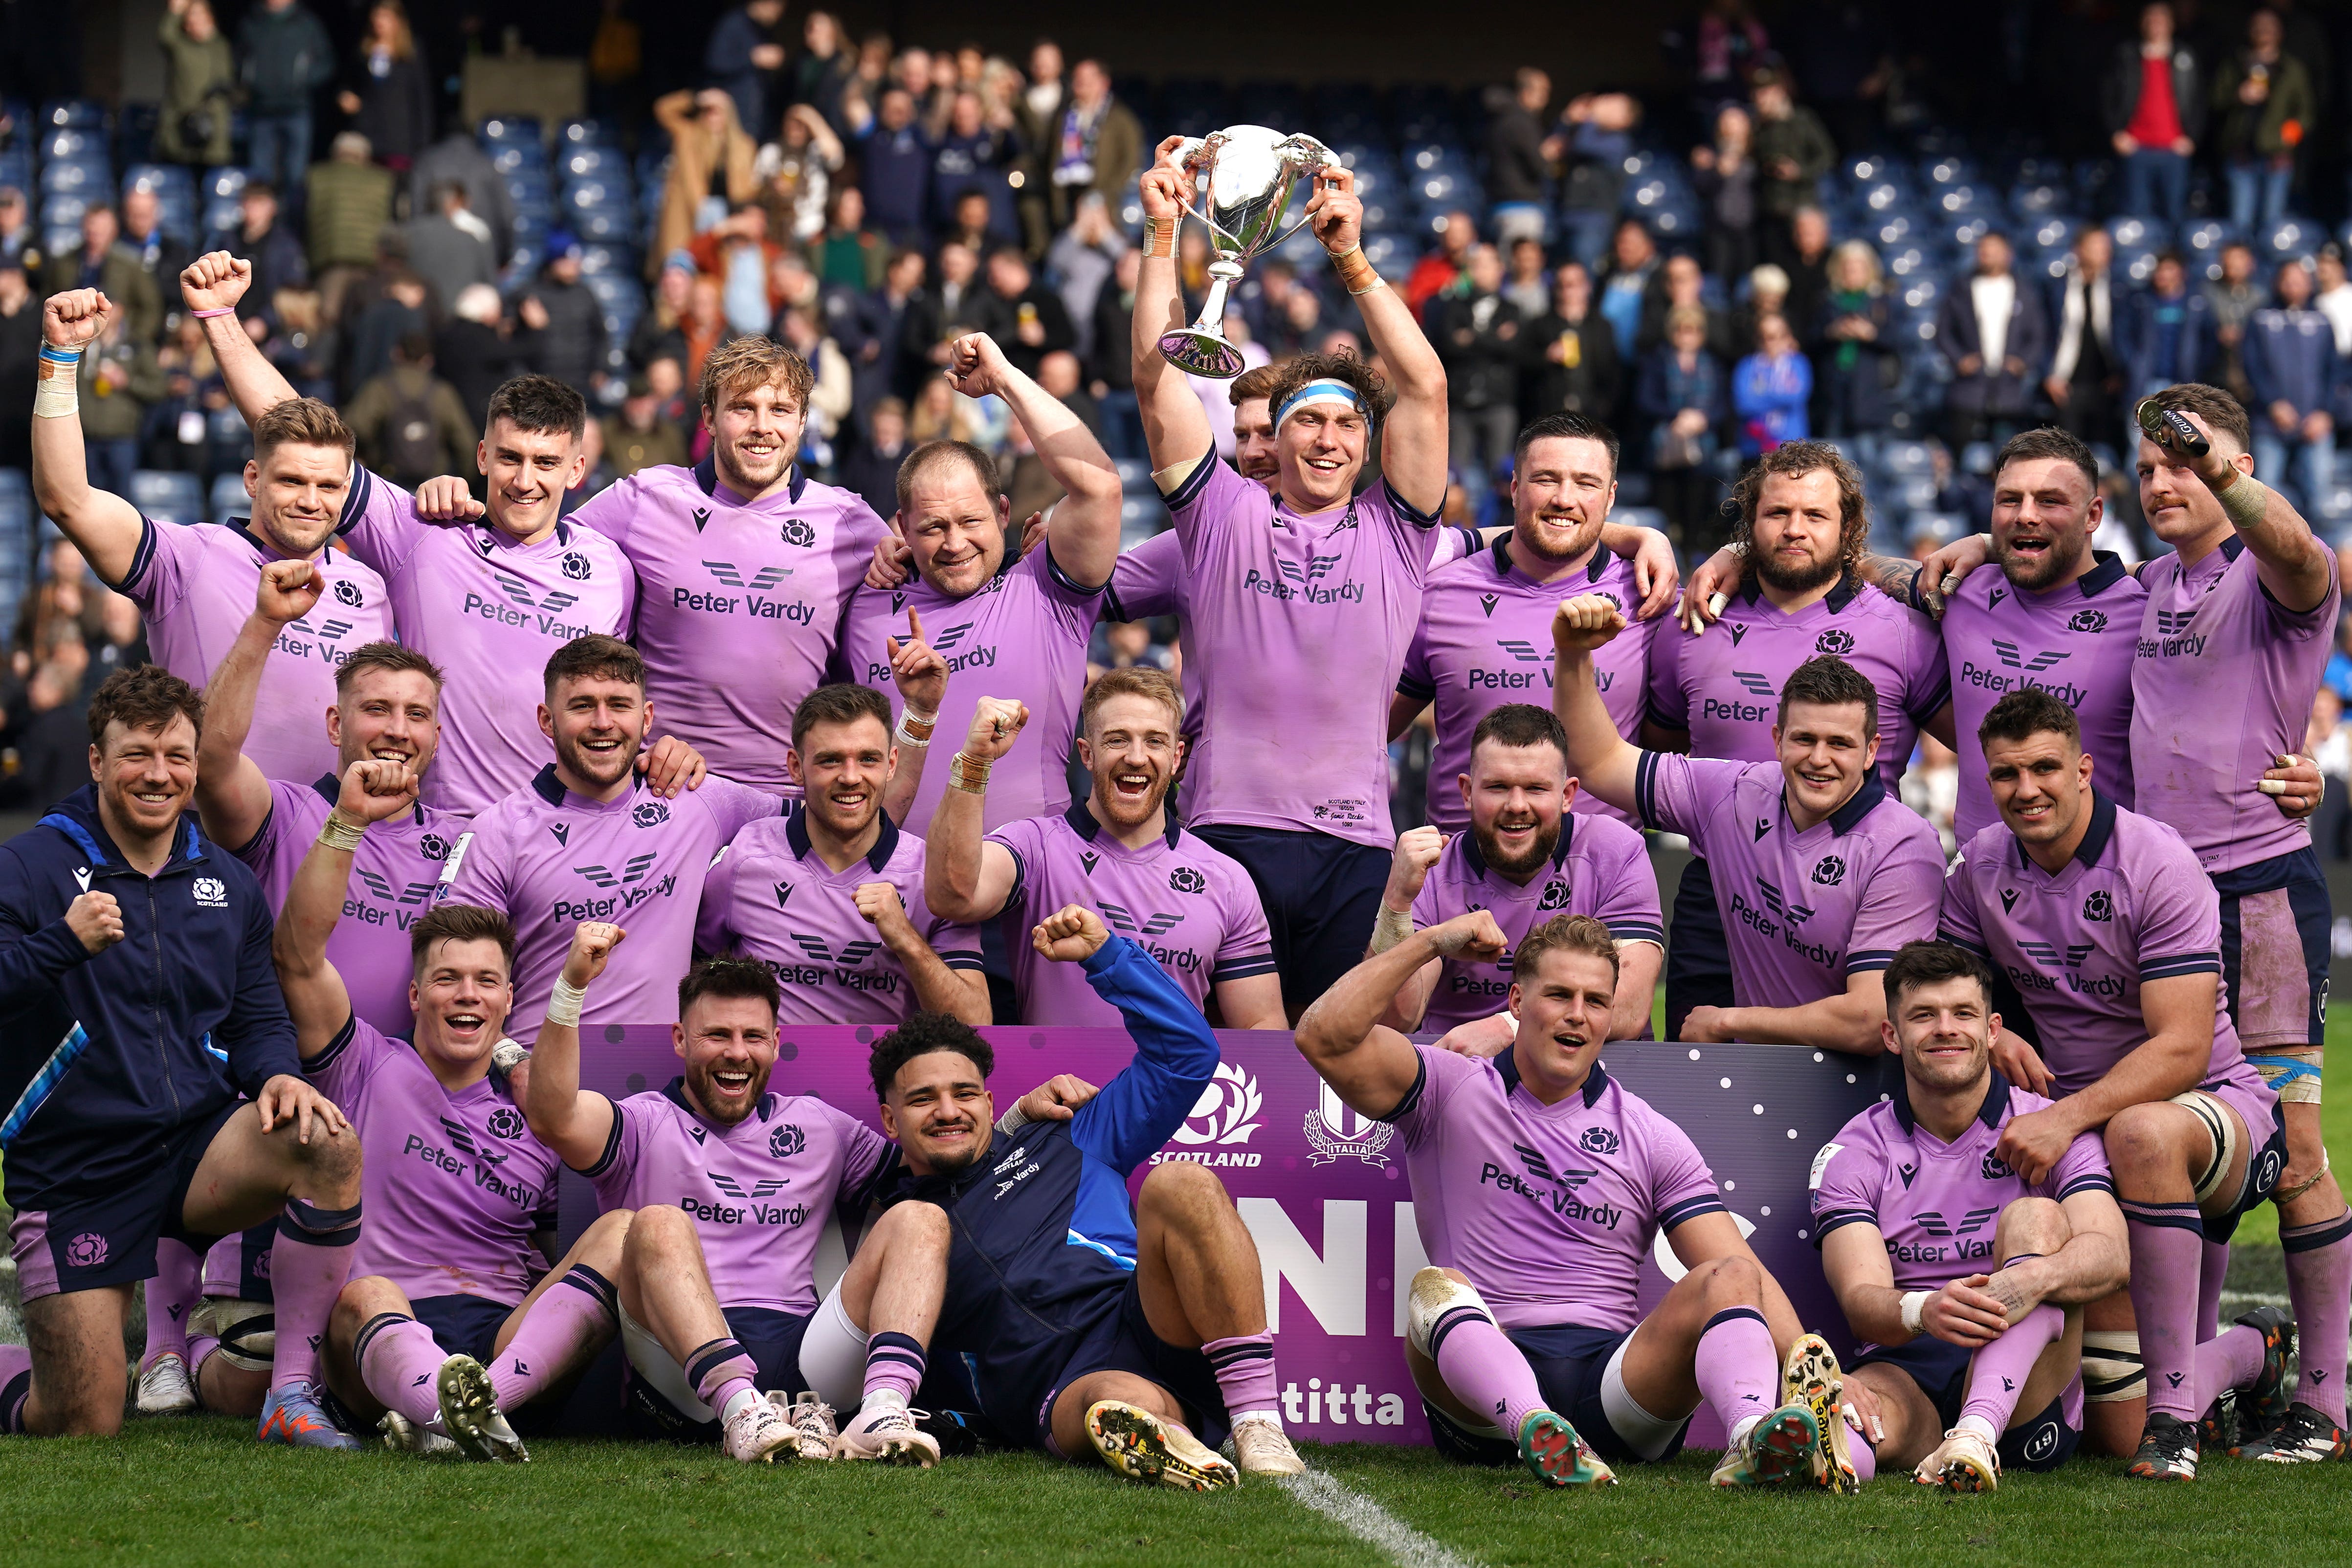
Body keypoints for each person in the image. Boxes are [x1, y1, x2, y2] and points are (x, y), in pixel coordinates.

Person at [1295, 909, 1853, 1489]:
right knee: (1434, 1288)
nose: (1577, 1015)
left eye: (1595, 1000)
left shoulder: (1650, 1134)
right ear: (1515, 1002)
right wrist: (1434, 943)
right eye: (1559, 995)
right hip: (1480, 1384)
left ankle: (1750, 1437)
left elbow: (1745, 1278)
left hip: (1612, 1387)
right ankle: (1533, 1426)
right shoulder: (1447, 1087)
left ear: (1611, 1015)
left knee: (1730, 1272)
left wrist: (1818, 1372)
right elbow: (1323, 1036)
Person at [1124, 147, 1461, 1018]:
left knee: (1337, 1076)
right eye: (1306, 420)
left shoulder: (1398, 532)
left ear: (1367, 443)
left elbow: (1425, 387)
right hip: (1224, 834)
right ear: (1272, 438)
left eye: (1349, 424)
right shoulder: (1225, 516)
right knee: (1219, 1079)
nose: (1328, 439)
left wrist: (1352, 259)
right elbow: (1155, 381)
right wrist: (1162, 234)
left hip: (1353, 842)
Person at [1937, 687, 2300, 1478]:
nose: (2026, 788)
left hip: (2211, 1106)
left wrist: (2065, 1116)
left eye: (2044, 767)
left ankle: (2177, 1419)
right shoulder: (1980, 867)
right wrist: (1994, 1031)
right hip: (2091, 1131)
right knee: (2113, 1422)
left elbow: (2181, 1048)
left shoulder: (2156, 860)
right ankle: (2254, 1350)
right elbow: (1953, 985)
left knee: (2141, 1129)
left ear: (2084, 769)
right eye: (2006, 774)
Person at [0, 665, 361, 1446]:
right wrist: (62, 942)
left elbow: (259, 1015)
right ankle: (11, 1369)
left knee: (327, 1143)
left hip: (195, 1145)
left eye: (176, 755)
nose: (158, 774)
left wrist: (276, 1075)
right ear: (97, 761)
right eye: (136, 754)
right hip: (78, 1165)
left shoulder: (226, 882)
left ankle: (292, 1394)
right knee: (81, 1420)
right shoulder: (28, 865)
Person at [861, 904, 1306, 1482]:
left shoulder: (1070, 1133)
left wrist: (1106, 957)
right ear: (890, 1121)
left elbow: (1187, 1057)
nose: (949, 1112)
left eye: (964, 1093)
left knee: (1182, 1182)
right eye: (923, 1100)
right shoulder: (905, 1229)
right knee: (1114, 1405)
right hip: (1054, 1383)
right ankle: (1172, 1436)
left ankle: (1256, 1421)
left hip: (1145, 1315)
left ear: (990, 1104)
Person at [188, 252, 634, 817]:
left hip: (557, 838)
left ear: (577, 469)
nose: (525, 481)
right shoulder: (425, 535)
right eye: (509, 459)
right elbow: (296, 431)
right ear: (481, 458)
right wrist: (221, 318)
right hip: (431, 837)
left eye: (545, 463)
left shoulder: (612, 570)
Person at [272, 758, 625, 1459]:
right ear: (415, 995)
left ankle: (473, 1405)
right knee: (365, 1291)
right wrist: (347, 823)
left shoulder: (537, 1107)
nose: (467, 994)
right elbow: (299, 957)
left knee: (621, 1230)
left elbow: (564, 1262)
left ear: (507, 999)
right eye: (447, 979)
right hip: (378, 1335)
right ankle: (451, 1406)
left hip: (504, 1336)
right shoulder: (366, 1063)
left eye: (486, 981)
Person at [524, 931, 961, 1464]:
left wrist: (1013, 1121)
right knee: (658, 1221)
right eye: (716, 1035)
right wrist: (571, 987)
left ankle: (883, 1409)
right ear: (681, 1040)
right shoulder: (641, 1122)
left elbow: (933, 1173)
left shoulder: (820, 1126)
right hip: (681, 1365)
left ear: (776, 1042)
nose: (737, 1052)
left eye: (753, 1036)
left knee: (922, 1218)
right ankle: (740, 1410)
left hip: (805, 1355)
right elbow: (552, 1116)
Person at [1640, 442, 1945, 1038]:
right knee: (1700, 1069)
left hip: (1855, 885)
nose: (1794, 529)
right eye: (1777, 514)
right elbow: (1661, 745)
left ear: (1848, 526)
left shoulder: (1907, 632)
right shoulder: (1691, 624)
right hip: (1717, 886)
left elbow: (1981, 741)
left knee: (1849, 1072)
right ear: (1749, 523)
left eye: (1815, 515)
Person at [1814, 941, 2143, 1490]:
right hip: (1908, 1364)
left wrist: (2029, 1279)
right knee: (1852, 1424)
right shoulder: (1854, 1150)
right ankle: (1807, 1449)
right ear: (1891, 1036)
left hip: (2030, 1381)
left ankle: (1976, 1433)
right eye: (1923, 1016)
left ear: (1992, 1029)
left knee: (2034, 1215)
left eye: (1962, 1014)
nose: (1945, 1029)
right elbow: (1861, 1303)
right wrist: (1927, 1310)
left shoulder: (2050, 1127)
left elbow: (2110, 1256)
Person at [32, 288, 392, 785]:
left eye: (329, 486)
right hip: (209, 843)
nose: (312, 500)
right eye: (292, 481)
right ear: (252, 478)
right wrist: (61, 359)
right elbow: (66, 499)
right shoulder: (184, 559)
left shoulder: (372, 588)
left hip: (335, 844)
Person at [1560, 607, 1945, 1052]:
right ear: (1778, 738)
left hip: (1866, 1090)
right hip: (1758, 1075)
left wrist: (1730, 1021)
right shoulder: (1734, 793)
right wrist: (1573, 655)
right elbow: (1598, 761)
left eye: (1840, 743)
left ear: (1871, 751)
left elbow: (1871, 1021)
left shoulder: (1904, 847)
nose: (1819, 759)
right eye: (1805, 739)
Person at [535, 337, 894, 797]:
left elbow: (942, 567)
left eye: (781, 410)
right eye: (742, 408)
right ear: (709, 418)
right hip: (665, 790)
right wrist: (462, 509)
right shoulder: (647, 499)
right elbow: (538, 549)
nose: (762, 427)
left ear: (803, 421)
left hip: (793, 803)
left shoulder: (851, 523)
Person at [837, 333, 1119, 842]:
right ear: (900, 526)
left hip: (1031, 890)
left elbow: (1099, 486)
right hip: (896, 887)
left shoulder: (1047, 589)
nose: (954, 544)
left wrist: (1005, 380)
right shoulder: (865, 600)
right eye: (932, 528)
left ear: (1004, 513)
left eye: (971, 521)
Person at [435, 636, 781, 1040]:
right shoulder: (497, 831)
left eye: (619, 704)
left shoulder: (699, 797)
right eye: (582, 705)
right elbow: (445, 981)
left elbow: (830, 814)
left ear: (647, 718)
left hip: (661, 1084)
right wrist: (513, 1065)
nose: (603, 722)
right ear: (547, 720)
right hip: (543, 1079)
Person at [194, 562, 466, 1036]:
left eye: (416, 714)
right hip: (296, 1086)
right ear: (336, 725)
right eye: (377, 709)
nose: (398, 731)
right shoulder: (282, 815)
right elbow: (211, 762)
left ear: (436, 737)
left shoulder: (466, 841)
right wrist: (265, 625)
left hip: (417, 1094)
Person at [924, 668, 1280, 1029]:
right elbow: (952, 897)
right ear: (1087, 753)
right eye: (1117, 740)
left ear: (1177, 757)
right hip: (1055, 1085)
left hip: (1173, 1085)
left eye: (1155, 741)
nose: (1137, 758)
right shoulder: (1035, 847)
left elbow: (1262, 1028)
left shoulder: (1227, 879)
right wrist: (974, 762)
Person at [1394, 412, 1658, 836]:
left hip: (1600, 882)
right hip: (1459, 876)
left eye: (1586, 483)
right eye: (1546, 479)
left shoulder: (1651, 598)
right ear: (1515, 489)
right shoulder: (1439, 594)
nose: (1564, 499)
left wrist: (1731, 554)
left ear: (1610, 499)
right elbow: (1372, 728)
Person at [1371, 705, 1661, 1052]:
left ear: (1567, 795)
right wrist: (1397, 904)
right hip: (1459, 1076)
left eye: (1536, 788)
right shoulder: (1432, 869)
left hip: (1587, 1076)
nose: (1517, 805)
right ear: (1467, 792)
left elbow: (1627, 1008)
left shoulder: (1615, 851)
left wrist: (1509, 1028)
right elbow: (1394, 1018)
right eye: (1498, 787)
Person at [698, 683, 982, 1027]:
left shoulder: (932, 877)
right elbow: (691, 975)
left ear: (891, 764)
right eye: (830, 760)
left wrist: (907, 941)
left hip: (888, 1078)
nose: (851, 777)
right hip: (766, 1076)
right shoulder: (744, 860)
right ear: (795, 766)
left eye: (868, 759)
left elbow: (976, 1025)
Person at [1433, 243, 1524, 519]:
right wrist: (1494, 338)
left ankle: (1501, 532)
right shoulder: (1452, 308)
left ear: (1500, 269)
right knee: (1452, 476)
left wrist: (1471, 338)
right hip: (1460, 402)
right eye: (1475, 265)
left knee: (1503, 477)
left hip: (1499, 401)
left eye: (1486, 264)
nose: (1480, 271)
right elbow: (1448, 347)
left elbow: (1514, 350)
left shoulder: (1513, 309)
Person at [2244, 258, 2339, 523]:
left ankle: (2322, 560)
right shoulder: (2260, 318)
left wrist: (2324, 413)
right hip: (2270, 423)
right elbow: (2252, 366)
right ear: (2278, 281)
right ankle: (2267, 562)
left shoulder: (2322, 321)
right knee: (2264, 499)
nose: (2293, 285)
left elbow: (2334, 372)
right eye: (2288, 279)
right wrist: (2273, 403)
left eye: (2300, 279)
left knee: (2320, 499)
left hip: (2315, 425)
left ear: (2310, 284)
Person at [1938, 233, 2049, 451]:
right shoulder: (1961, 288)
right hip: (1969, 389)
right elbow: (1943, 332)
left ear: (2008, 254)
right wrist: (1960, 360)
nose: (1986, 254)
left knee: (2009, 455)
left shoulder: (2024, 291)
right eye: (1982, 249)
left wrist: (2022, 363)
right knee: (1962, 449)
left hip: (2010, 390)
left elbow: (2037, 335)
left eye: (1993, 249)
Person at [2213, 7, 2315, 235]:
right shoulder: (2236, 64)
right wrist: (2238, 96)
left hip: (2276, 157)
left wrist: (2288, 139)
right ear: (2250, 31)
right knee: (2240, 223)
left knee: (2272, 224)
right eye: (2258, 27)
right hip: (2241, 154)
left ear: (2279, 33)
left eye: (2269, 28)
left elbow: (2306, 114)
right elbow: (2215, 99)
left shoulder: (2292, 69)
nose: (2263, 32)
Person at [1635, 305, 1728, 553]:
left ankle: (1691, 556)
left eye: (1694, 330)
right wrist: (1678, 416)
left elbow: (1722, 405)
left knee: (1696, 511)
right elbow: (1645, 399)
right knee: (1668, 511)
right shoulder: (1658, 361)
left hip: (1702, 448)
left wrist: (1702, 419)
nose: (1688, 335)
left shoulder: (1713, 365)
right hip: (1665, 446)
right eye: (1682, 330)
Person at [2105, 2, 2202, 223]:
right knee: (2137, 215)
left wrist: (2191, 138)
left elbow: (2198, 101)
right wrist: (2117, 133)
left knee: (2174, 214)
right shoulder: (2127, 56)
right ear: (2142, 24)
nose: (2156, 25)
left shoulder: (2184, 57)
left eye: (2161, 20)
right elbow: (2109, 97)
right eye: (2151, 20)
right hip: (2137, 147)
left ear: (2171, 24)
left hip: (2174, 149)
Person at [342, 331, 476, 489]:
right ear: (429, 360)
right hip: (434, 486)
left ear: (396, 354)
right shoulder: (442, 393)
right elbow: (467, 444)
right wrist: (462, 480)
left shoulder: (380, 388)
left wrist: (369, 456)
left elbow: (353, 428)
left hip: (389, 483)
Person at [652, 89, 759, 279]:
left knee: (718, 279)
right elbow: (663, 110)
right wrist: (695, 99)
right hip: (690, 217)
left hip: (726, 221)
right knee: (679, 275)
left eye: (717, 111)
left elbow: (748, 190)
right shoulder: (688, 136)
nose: (712, 117)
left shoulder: (744, 146)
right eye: (707, 111)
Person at [239, 0, 336, 195]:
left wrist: (302, 81)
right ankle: (263, 222)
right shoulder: (252, 23)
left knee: (296, 175)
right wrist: (250, 82)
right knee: (260, 177)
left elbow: (326, 62)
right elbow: (239, 60)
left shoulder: (307, 23)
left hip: (297, 109)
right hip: (261, 110)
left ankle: (292, 222)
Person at [1815, 240, 1896, 457]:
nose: (1851, 272)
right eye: (1847, 267)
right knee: (1831, 460)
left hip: (1868, 396)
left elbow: (1898, 341)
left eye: (1857, 267)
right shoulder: (1828, 301)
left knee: (1867, 462)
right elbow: (1811, 340)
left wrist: (1871, 334)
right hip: (1834, 396)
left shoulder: (1880, 303)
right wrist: (1832, 332)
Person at [2047, 229, 2124, 454]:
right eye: (2097, 246)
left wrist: (2122, 373)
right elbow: (2045, 333)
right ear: (2078, 250)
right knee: (2066, 453)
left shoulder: (2119, 289)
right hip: (2065, 385)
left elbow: (2128, 334)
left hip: (2107, 385)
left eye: (2106, 247)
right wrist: (2048, 375)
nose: (2105, 253)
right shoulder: (2056, 287)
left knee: (2104, 454)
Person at [1750, 68, 1835, 273]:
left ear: (1780, 92)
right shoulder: (1756, 126)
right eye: (1758, 93)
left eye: (1767, 92)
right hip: (1769, 209)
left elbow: (1827, 156)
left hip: (1799, 206)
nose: (1762, 98)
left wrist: (1800, 172)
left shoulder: (1801, 120)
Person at [336, 1, 433, 172]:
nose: (379, 22)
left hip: (399, 140)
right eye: (376, 16)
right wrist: (346, 97)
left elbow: (421, 100)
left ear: (397, 21)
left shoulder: (411, 53)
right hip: (367, 136)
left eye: (385, 17)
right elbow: (348, 84)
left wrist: (422, 144)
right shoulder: (363, 52)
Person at [1524, 263, 1622, 422]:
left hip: (1593, 415)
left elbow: (1612, 371)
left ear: (1587, 287)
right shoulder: (1540, 325)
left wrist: (1603, 407)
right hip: (1551, 414)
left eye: (1573, 285)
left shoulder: (1602, 326)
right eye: (1562, 285)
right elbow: (1523, 365)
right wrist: (1546, 356)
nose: (1568, 291)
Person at [155, 0, 236, 170]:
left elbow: (227, 82)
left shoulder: (220, 46)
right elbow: (165, 35)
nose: (196, 21)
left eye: (201, 16)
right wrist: (176, 11)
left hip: (212, 130)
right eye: (192, 16)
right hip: (181, 127)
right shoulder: (180, 45)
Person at [2119, 251, 2211, 397]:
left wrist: (2198, 366)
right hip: (2145, 381)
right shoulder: (2140, 302)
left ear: (2182, 273)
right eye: (2159, 270)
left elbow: (2209, 340)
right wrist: (2133, 364)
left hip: (2184, 381)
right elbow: (2124, 336)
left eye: (2169, 270)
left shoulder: (2198, 304)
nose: (2162, 275)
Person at [1732, 312, 1810, 459]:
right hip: (1754, 448)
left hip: (1791, 446)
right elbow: (1743, 404)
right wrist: (1779, 396)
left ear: (1787, 336)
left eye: (1776, 336)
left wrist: (1761, 397)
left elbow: (1796, 398)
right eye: (1764, 337)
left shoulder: (1798, 364)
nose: (1770, 343)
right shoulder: (1747, 366)